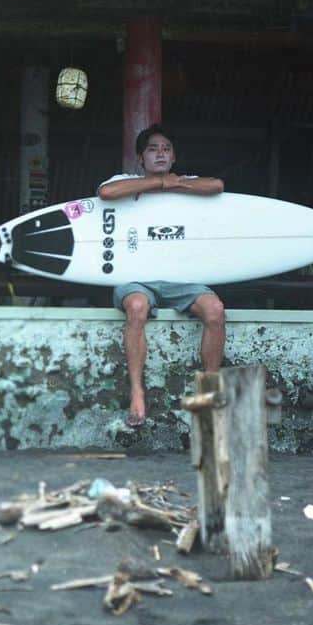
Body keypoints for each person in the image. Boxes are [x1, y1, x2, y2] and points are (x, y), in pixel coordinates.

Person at [97, 124, 225, 427]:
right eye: (153, 149)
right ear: (141, 158)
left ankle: (208, 396)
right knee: (137, 307)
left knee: (215, 310)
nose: (160, 153)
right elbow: (106, 192)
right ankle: (137, 394)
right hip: (136, 279)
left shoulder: (185, 182)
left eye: (166, 149)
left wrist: (173, 183)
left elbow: (217, 185)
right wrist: (156, 184)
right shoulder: (125, 181)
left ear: (174, 156)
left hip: (182, 280)